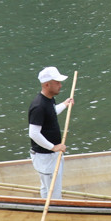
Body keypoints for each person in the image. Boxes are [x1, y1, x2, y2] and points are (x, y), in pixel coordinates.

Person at [28, 66, 74, 199]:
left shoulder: (48, 100)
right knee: (53, 193)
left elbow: (51, 113)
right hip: (46, 157)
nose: (60, 85)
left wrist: (65, 104)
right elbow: (34, 133)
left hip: (49, 155)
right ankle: (53, 213)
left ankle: (46, 206)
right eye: (57, 83)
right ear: (47, 85)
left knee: (47, 189)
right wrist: (53, 147)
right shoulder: (38, 106)